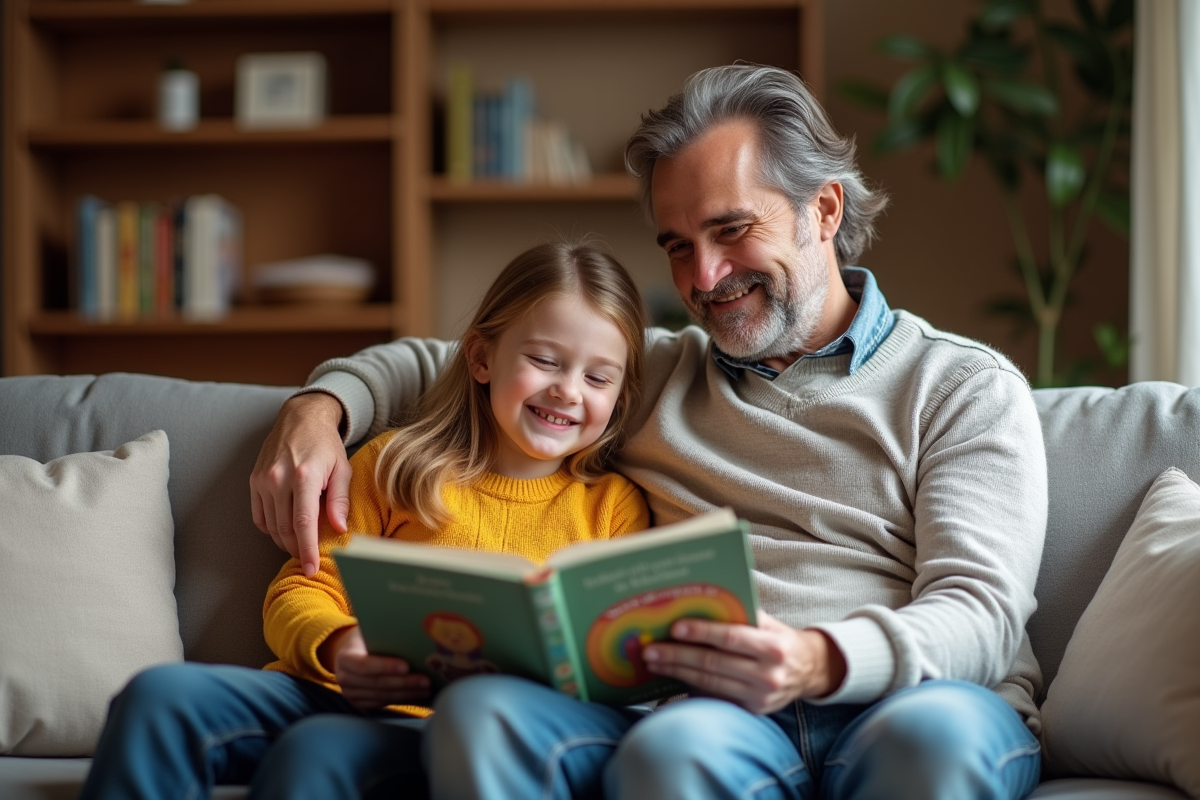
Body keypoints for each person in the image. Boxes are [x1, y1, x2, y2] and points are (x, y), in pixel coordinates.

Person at [250, 64, 1048, 800]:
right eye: (678, 246)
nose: (703, 278)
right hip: (726, 719)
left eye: (731, 230)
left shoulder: (961, 386)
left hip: (915, 701)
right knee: (668, 752)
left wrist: (815, 660)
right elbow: (455, 363)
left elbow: (980, 612)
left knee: (930, 742)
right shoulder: (650, 376)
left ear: (824, 210)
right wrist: (319, 409)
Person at [80, 240, 651, 800]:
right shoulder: (397, 465)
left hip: (448, 731)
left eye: (598, 378)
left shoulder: (611, 507)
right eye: (545, 360)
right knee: (159, 694)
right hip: (325, 690)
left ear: (620, 397)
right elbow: (305, 583)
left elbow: (608, 659)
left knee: (319, 753)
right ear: (481, 358)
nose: (568, 389)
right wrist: (337, 644)